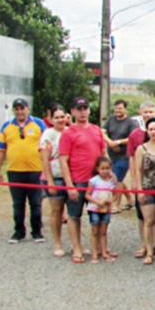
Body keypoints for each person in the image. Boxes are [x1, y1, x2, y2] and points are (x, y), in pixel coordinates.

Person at [59, 97, 108, 263]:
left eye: (85, 108)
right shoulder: (68, 133)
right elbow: (63, 161)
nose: (82, 112)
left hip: (97, 182)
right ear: (72, 111)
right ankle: (77, 247)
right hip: (78, 180)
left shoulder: (96, 129)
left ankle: (101, 247)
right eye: (79, 109)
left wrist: (109, 176)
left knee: (100, 214)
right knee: (74, 215)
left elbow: (104, 154)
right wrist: (69, 185)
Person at [0, 98, 47, 242]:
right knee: (18, 203)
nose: (20, 111)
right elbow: (0, 149)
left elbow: (48, 144)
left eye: (22, 108)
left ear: (27, 109)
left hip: (35, 170)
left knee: (35, 202)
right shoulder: (7, 126)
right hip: (14, 170)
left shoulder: (38, 124)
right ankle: (18, 231)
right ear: (13, 111)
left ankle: (36, 231)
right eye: (16, 109)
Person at [127, 101, 155, 252]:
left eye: (151, 112)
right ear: (141, 114)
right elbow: (132, 159)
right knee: (144, 217)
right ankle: (144, 245)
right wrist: (135, 182)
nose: (148, 115)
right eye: (145, 112)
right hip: (144, 183)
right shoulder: (135, 134)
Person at [133, 117, 155, 264]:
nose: (153, 132)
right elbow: (137, 171)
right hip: (147, 188)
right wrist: (139, 190)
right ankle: (149, 252)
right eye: (150, 129)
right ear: (147, 130)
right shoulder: (141, 148)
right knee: (148, 221)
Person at [39, 105, 69, 257]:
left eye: (62, 117)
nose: (60, 120)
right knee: (57, 211)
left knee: (73, 213)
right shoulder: (48, 134)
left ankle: (76, 243)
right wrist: (49, 180)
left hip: (70, 177)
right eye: (56, 117)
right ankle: (57, 243)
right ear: (51, 119)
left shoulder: (70, 131)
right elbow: (44, 159)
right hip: (55, 176)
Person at [102, 99, 137, 212]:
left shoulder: (131, 122)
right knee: (118, 179)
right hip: (112, 155)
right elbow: (102, 131)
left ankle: (116, 205)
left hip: (125, 156)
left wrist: (118, 142)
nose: (117, 110)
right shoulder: (110, 119)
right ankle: (130, 199)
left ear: (126, 109)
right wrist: (109, 142)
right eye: (116, 108)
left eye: (120, 108)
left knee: (116, 180)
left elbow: (133, 138)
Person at [85, 157, 116, 263]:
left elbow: (116, 194)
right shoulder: (93, 180)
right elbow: (87, 195)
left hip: (106, 209)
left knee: (103, 232)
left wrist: (110, 201)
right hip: (95, 208)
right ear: (97, 168)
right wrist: (97, 202)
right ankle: (94, 254)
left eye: (107, 168)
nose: (105, 171)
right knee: (94, 231)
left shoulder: (112, 181)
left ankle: (104, 252)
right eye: (102, 168)